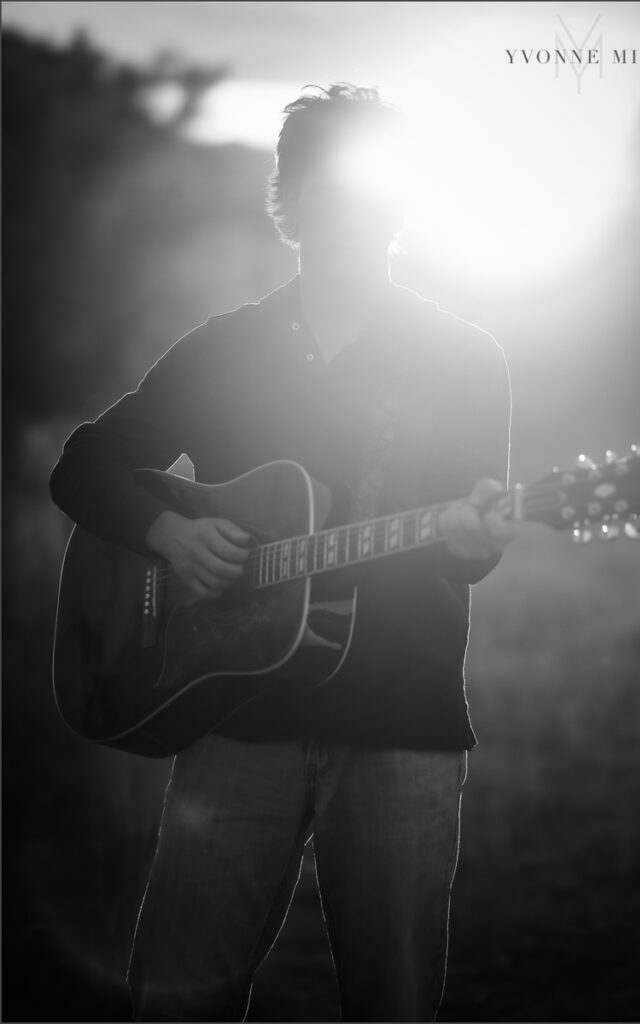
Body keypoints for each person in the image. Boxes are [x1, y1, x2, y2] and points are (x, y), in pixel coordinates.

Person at [49, 83, 515, 1022]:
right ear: (290, 200)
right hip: (233, 722)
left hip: (400, 728)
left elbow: (464, 545)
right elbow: (85, 466)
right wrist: (168, 531)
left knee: (392, 1007)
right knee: (176, 1003)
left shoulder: (462, 356)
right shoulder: (226, 349)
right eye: (322, 186)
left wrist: (473, 540)